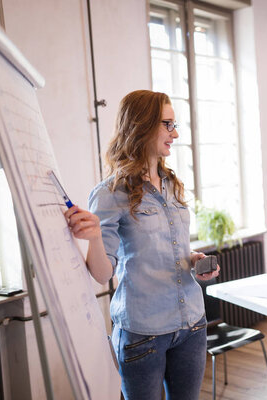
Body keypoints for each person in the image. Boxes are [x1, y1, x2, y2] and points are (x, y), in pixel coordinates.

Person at [65, 90, 219, 400]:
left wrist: (193, 259)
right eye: (167, 124)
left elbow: (168, 248)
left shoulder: (172, 184)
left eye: (174, 125)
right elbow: (101, 272)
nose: (175, 134)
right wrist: (94, 237)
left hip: (191, 323)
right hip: (143, 331)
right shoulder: (110, 192)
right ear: (141, 125)